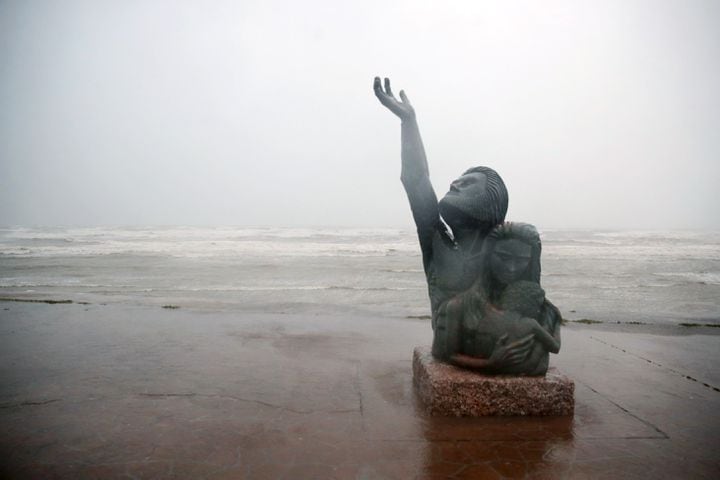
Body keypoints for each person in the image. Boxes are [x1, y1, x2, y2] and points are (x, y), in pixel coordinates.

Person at [374, 77, 534, 369]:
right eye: (457, 179)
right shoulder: (436, 242)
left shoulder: (501, 250)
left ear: (491, 201)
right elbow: (416, 180)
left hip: (492, 346)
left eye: (468, 182)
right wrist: (408, 121)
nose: (455, 183)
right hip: (450, 347)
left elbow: (527, 302)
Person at [441, 222, 562, 374]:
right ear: (488, 255)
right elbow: (450, 354)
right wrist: (490, 364)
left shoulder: (545, 310)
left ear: (531, 261)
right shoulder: (459, 306)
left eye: (522, 260)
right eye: (503, 257)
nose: (511, 268)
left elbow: (547, 354)